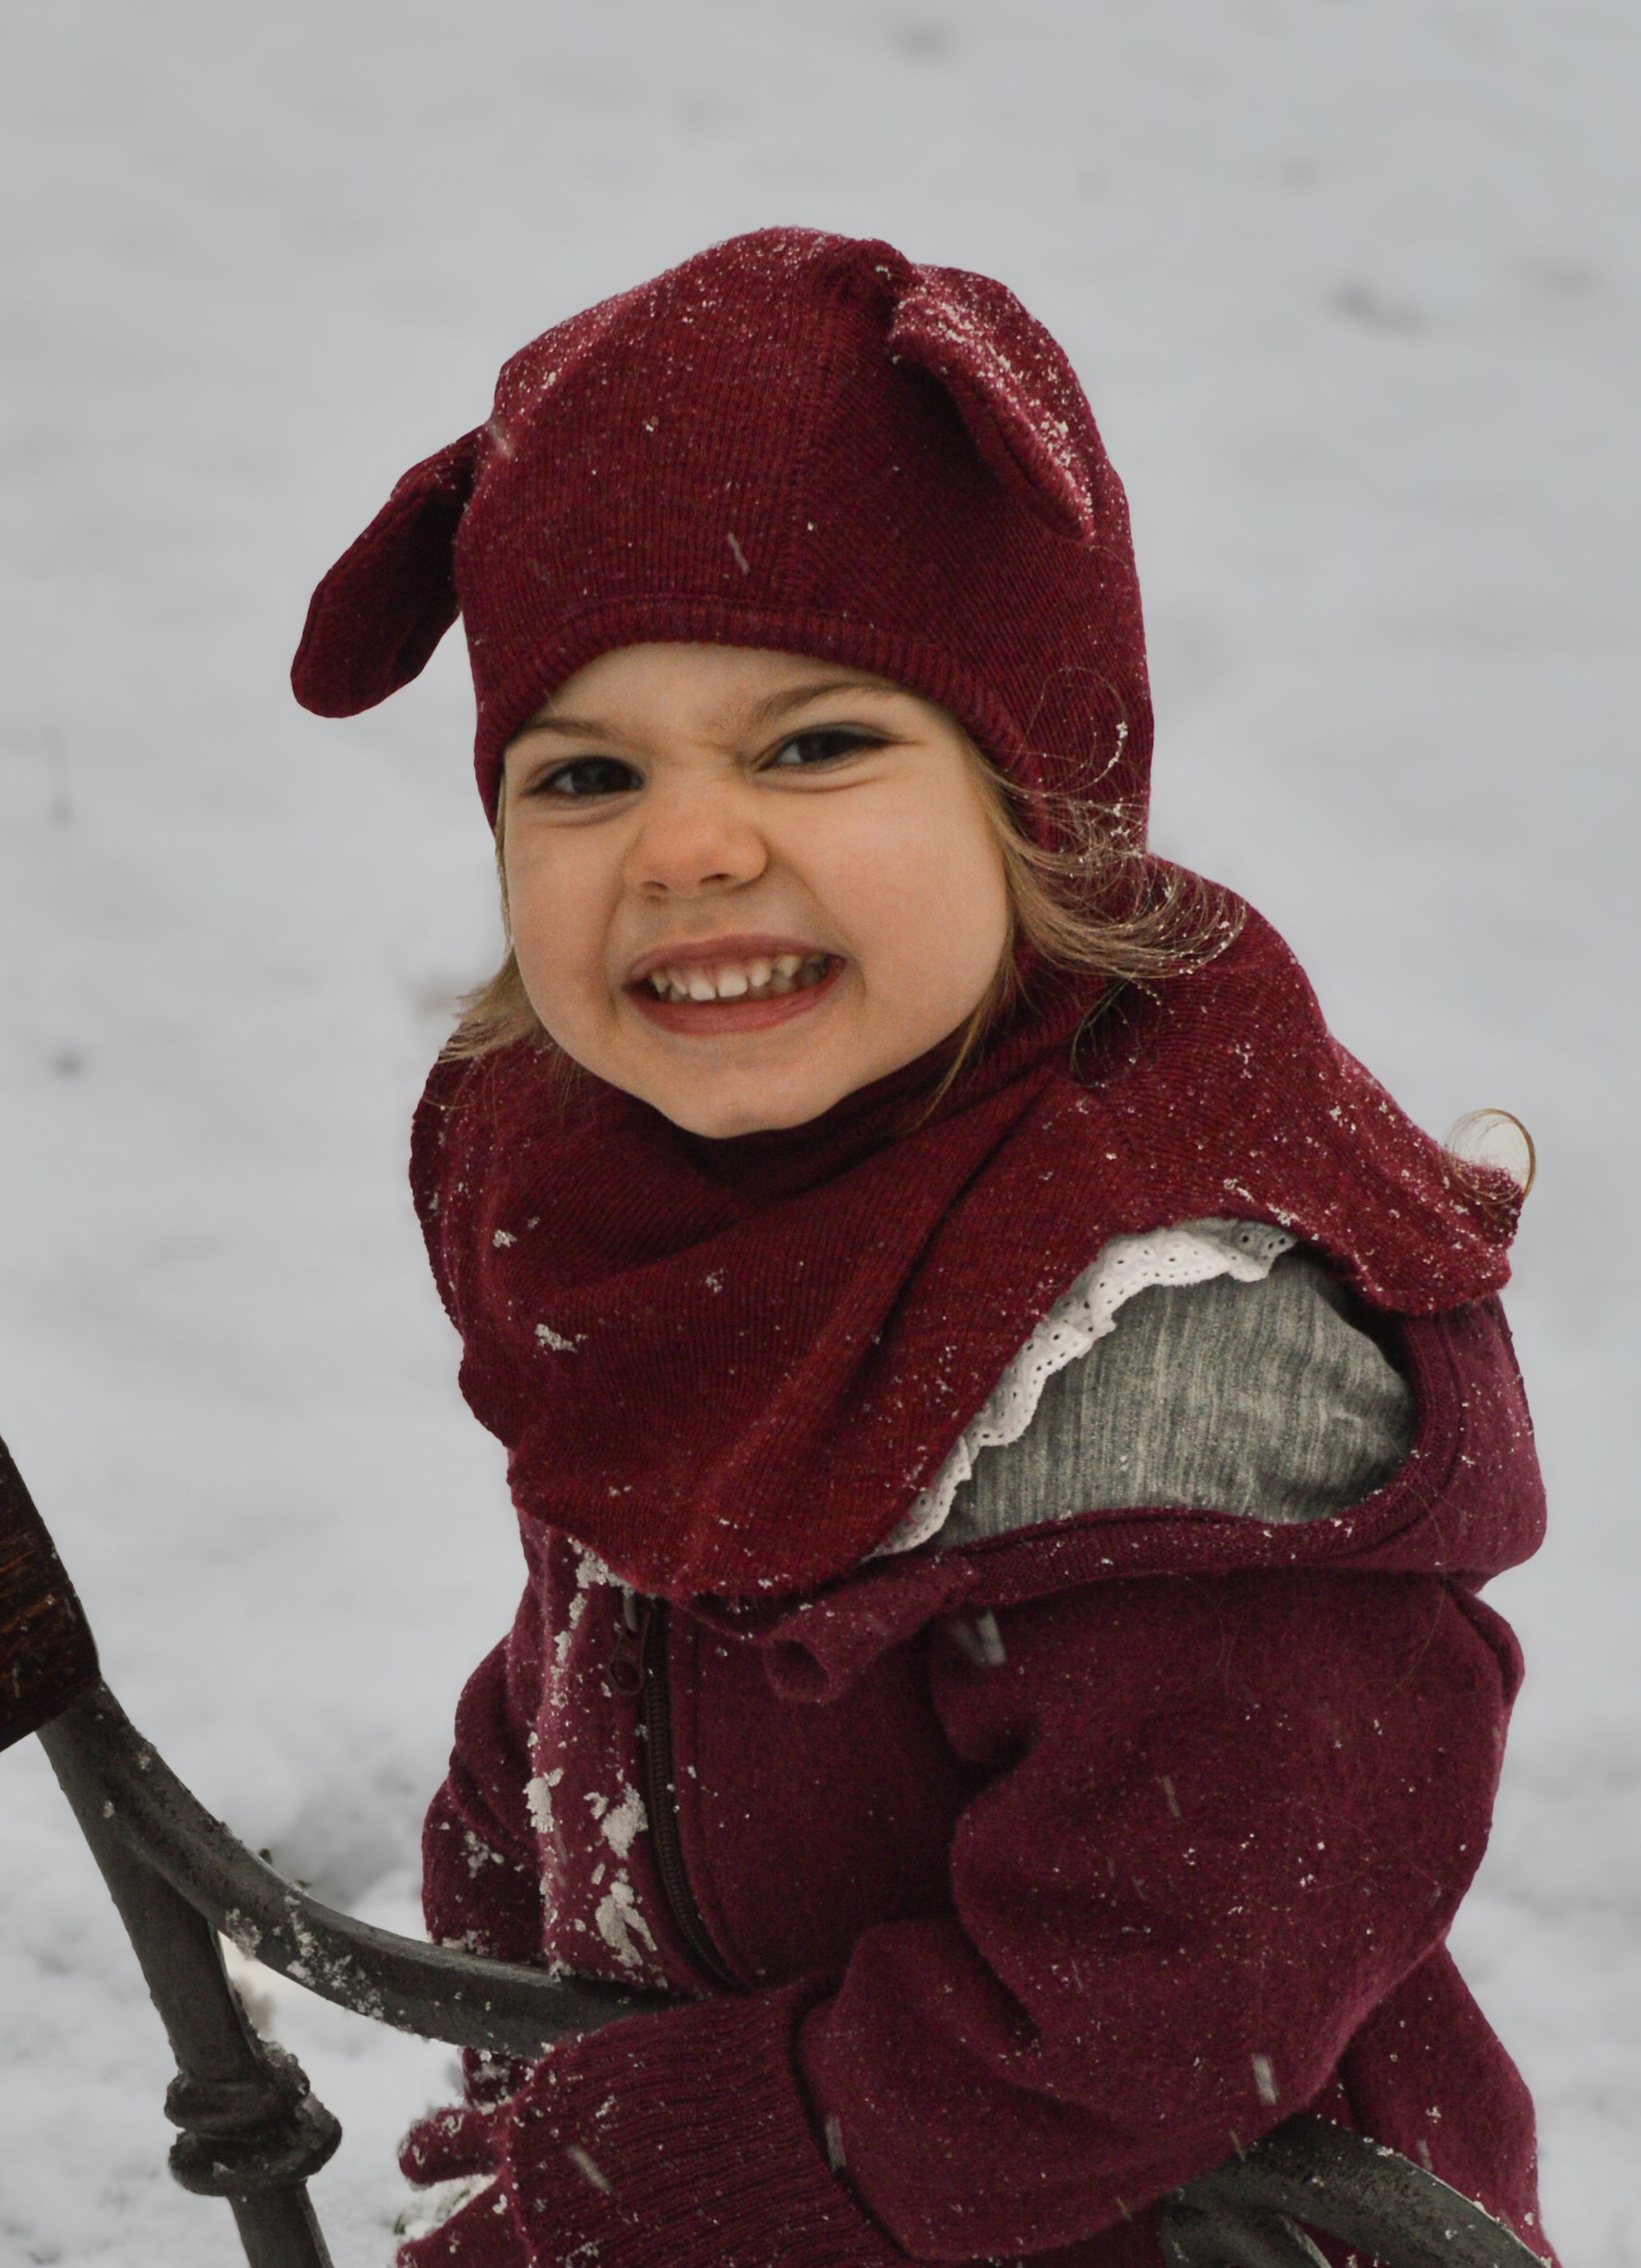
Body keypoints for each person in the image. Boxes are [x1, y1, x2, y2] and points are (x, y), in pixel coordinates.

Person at [292, 228, 1551, 2268]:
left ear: (1037, 792)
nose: (687, 848)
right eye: (584, 774)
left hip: (1171, 2223)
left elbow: (1170, 1985)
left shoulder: (1174, 1355)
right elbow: (600, 1626)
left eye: (814, 745)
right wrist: (517, 1958)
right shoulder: (630, 1203)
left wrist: (660, 2180)